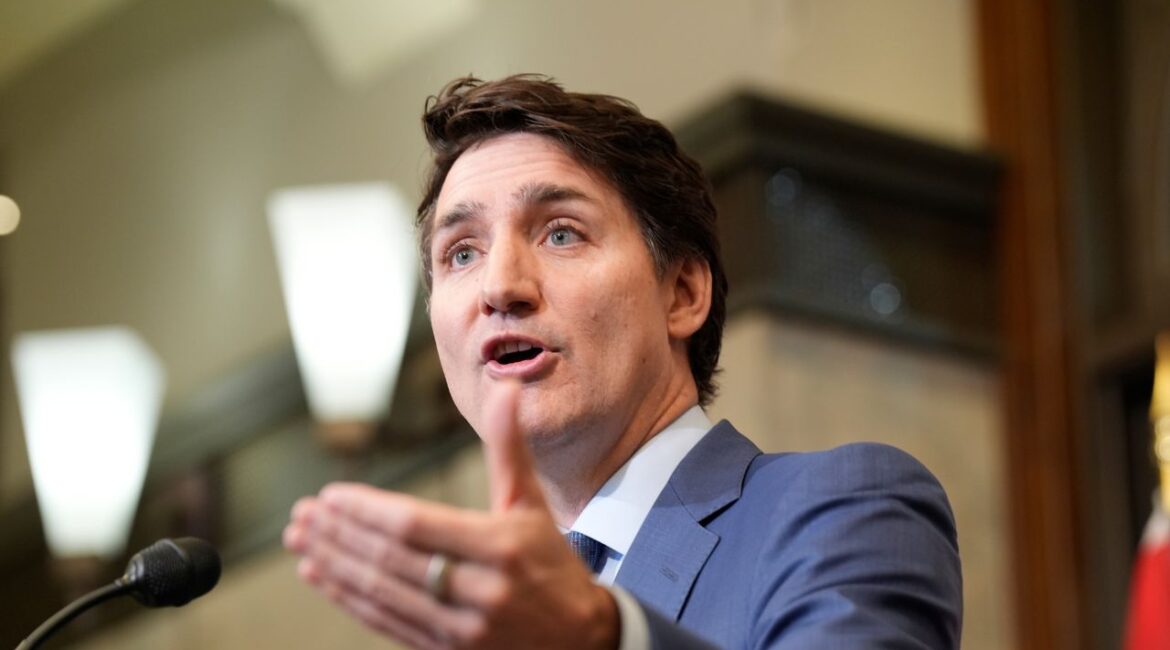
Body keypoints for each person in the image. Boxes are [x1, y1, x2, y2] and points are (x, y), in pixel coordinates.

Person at [283, 74, 962, 649]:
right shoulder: (473, 618)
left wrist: (604, 634)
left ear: (683, 293)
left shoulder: (843, 506)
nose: (499, 286)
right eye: (462, 252)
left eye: (561, 233)